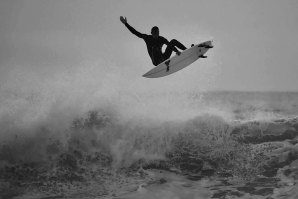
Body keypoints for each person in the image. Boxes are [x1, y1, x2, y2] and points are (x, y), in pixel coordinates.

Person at [120, 16, 187, 66]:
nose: (156, 35)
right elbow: (135, 32)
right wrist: (126, 24)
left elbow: (170, 45)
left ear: (159, 32)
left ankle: (187, 50)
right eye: (154, 33)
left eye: (157, 33)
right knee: (155, 47)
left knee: (173, 41)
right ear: (151, 33)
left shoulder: (161, 39)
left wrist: (176, 51)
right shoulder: (147, 38)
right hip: (156, 61)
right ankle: (162, 62)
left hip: (164, 57)